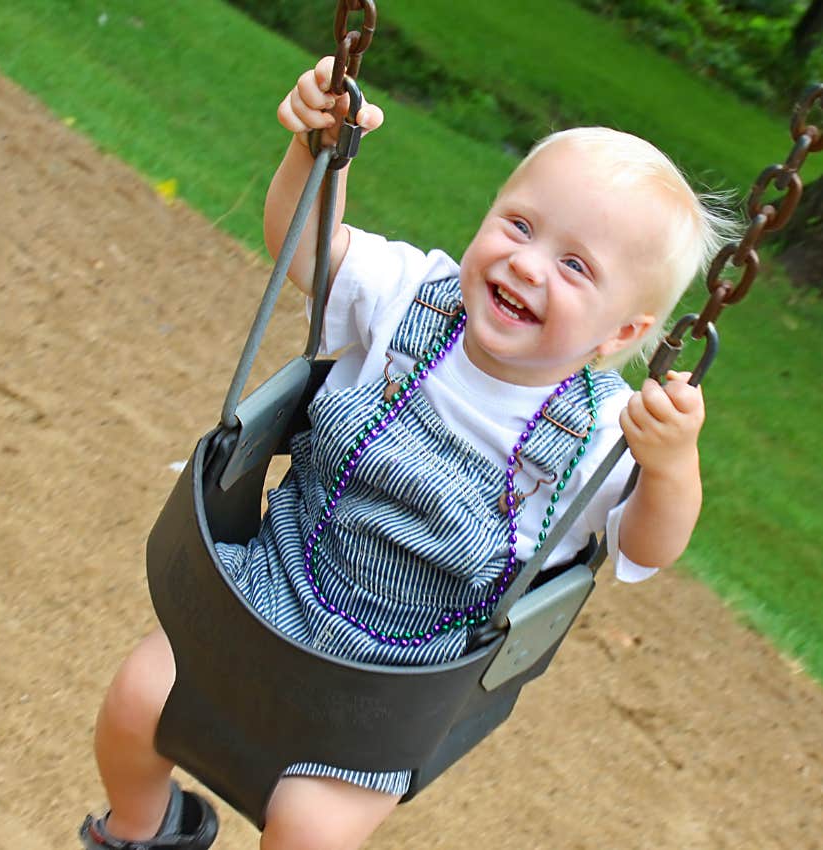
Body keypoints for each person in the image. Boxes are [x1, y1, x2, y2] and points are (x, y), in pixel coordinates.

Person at [80, 56, 738, 850]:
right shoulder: (410, 295)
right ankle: (145, 833)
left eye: (574, 266)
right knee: (133, 704)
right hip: (273, 584)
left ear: (623, 334)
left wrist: (671, 464)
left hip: (387, 691)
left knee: (309, 832)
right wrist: (315, 150)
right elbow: (304, 250)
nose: (528, 264)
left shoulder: (602, 435)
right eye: (520, 225)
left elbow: (646, 547)